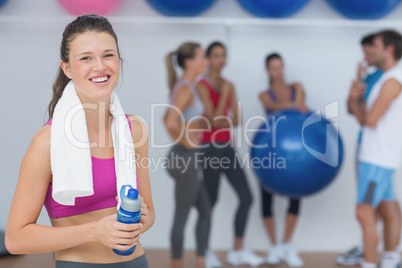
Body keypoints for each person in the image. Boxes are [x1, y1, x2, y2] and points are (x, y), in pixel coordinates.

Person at [5, 15, 155, 268]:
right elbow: (15, 239)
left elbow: (149, 212)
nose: (100, 66)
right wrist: (95, 231)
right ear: (67, 68)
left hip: (136, 262)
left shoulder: (134, 129)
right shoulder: (47, 142)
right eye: (86, 58)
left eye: (108, 55)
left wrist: (139, 218)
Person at [196, 41, 264, 267]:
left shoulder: (229, 84)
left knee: (247, 197)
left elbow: (237, 119)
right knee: (210, 201)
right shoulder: (202, 85)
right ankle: (205, 253)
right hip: (209, 147)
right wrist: (224, 96)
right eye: (216, 55)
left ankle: (237, 251)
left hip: (226, 146)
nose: (221, 59)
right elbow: (215, 118)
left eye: (223, 55)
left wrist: (221, 117)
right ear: (208, 59)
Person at [336, 32, 398, 267]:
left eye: (374, 47)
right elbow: (362, 114)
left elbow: (369, 121)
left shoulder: (392, 79)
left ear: (389, 49)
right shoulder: (379, 78)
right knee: (388, 204)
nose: (368, 53)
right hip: (375, 155)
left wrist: (359, 108)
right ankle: (389, 258)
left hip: (377, 158)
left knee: (364, 213)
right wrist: (355, 96)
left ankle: (370, 261)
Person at [164, 42, 211, 268]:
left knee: (205, 209)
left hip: (185, 157)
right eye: (202, 57)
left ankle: (201, 261)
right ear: (190, 62)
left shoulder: (187, 86)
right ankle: (177, 264)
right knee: (182, 214)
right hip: (183, 158)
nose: (206, 62)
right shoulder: (185, 87)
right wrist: (187, 142)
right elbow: (169, 120)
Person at [258, 53, 307, 267]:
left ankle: (288, 244)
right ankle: (274, 246)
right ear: (268, 71)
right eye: (273, 68)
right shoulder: (265, 95)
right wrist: (294, 103)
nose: (278, 71)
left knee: (295, 196)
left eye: (280, 67)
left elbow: (301, 103)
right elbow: (278, 106)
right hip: (271, 151)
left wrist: (296, 102)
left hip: (297, 153)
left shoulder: (297, 86)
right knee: (266, 197)